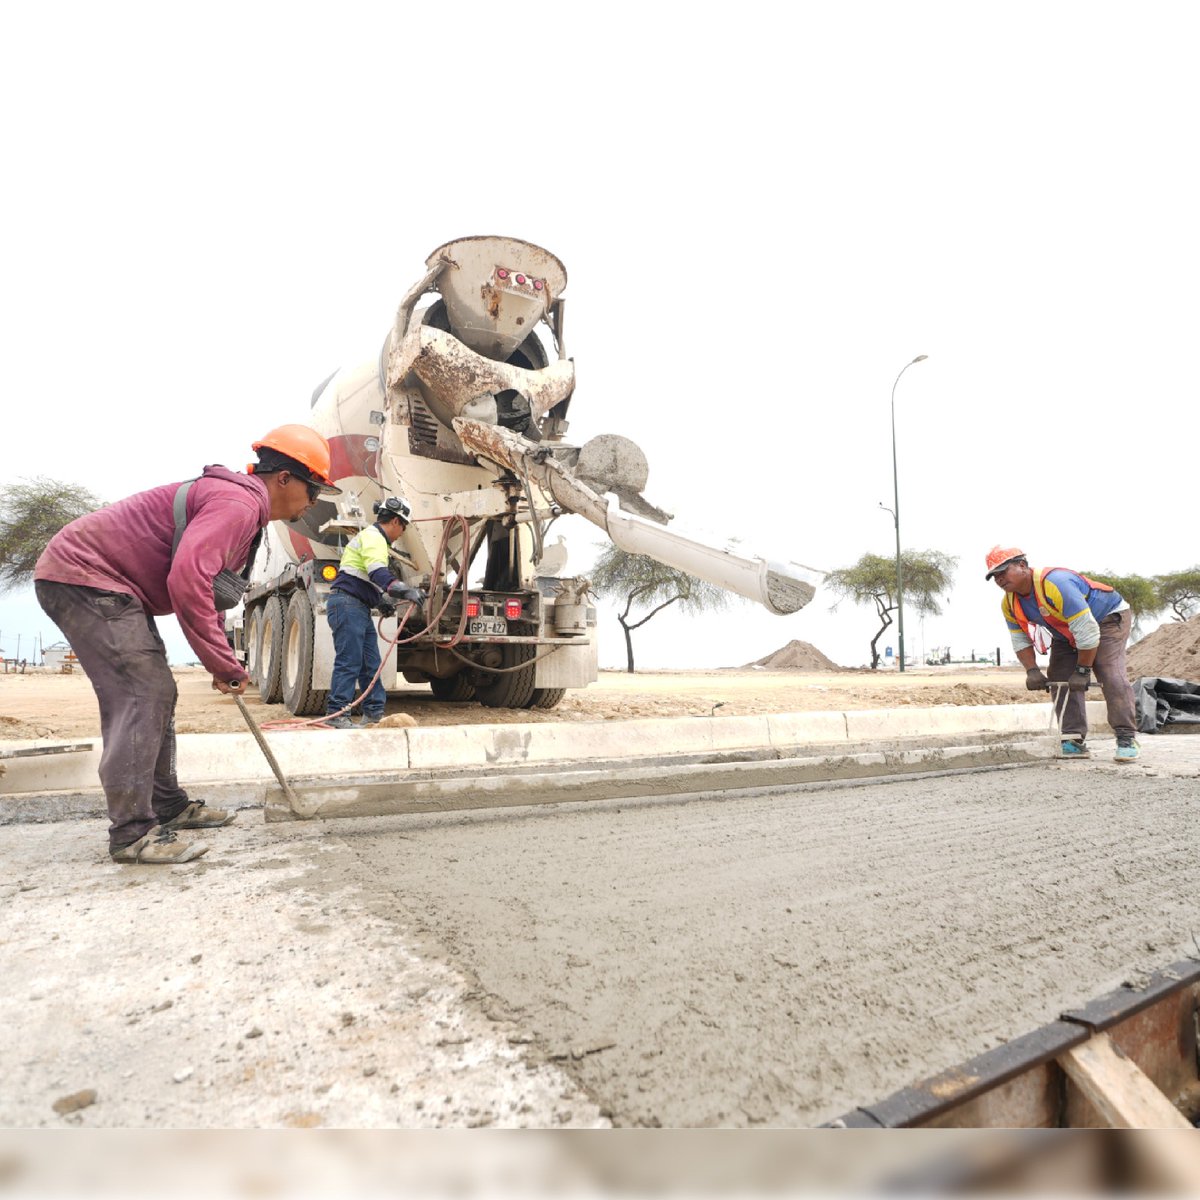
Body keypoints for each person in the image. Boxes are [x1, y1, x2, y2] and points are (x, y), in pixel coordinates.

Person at [34, 425, 341, 864]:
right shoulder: (238, 503)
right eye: (313, 491)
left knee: (158, 690)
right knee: (143, 693)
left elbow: (212, 591)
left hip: (113, 587)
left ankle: (167, 807)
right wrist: (221, 662)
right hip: (85, 577)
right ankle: (133, 833)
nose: (312, 503)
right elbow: (186, 581)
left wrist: (221, 659)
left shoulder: (244, 512)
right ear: (285, 479)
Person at [984, 546, 1140, 763]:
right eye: (995, 576)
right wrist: (1032, 671)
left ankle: (1126, 738)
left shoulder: (1056, 583)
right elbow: (1020, 639)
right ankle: (1073, 739)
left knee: (1108, 671)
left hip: (1106, 618)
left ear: (1022, 565)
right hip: (1065, 630)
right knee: (1058, 675)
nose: (999, 579)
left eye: (1003, 572)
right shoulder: (1009, 603)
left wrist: (1083, 670)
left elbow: (1087, 630)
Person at [324, 496, 425, 729]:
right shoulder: (373, 537)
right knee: (350, 660)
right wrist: (405, 591)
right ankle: (336, 715)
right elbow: (377, 573)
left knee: (370, 663)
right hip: (348, 605)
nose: (401, 533)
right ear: (396, 522)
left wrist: (380, 602)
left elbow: (359, 576)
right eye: (403, 527)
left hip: (356, 605)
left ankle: (374, 714)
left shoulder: (374, 540)